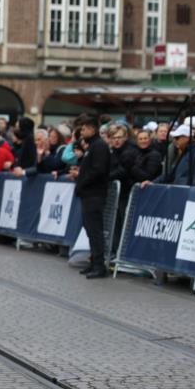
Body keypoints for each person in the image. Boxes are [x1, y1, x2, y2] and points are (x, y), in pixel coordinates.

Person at [72, 118, 110, 279]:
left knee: (95, 231)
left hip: (94, 194)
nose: (82, 132)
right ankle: (94, 262)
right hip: (88, 194)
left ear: (93, 130)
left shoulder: (99, 146)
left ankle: (99, 266)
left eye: (84, 129)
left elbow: (98, 170)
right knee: (90, 231)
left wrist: (83, 181)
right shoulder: (92, 146)